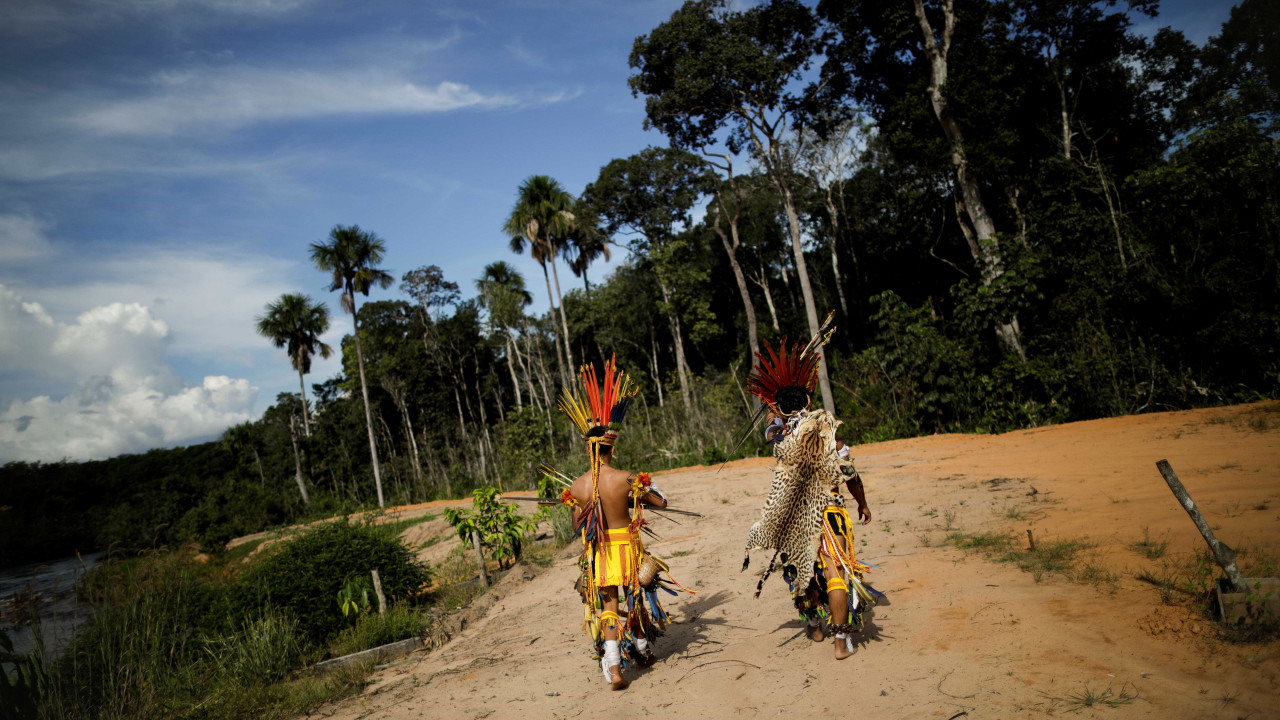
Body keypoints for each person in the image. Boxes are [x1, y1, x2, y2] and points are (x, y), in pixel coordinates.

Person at [550, 356, 693, 690]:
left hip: (598, 550)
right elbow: (660, 502)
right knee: (636, 600)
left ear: (589, 450)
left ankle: (615, 669)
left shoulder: (577, 486)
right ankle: (642, 652)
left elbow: (577, 527)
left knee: (609, 606)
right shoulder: (624, 478)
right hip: (625, 547)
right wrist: (641, 492)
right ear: (610, 449)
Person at [743, 328, 883, 660]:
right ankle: (839, 641)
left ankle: (815, 625)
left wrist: (777, 410)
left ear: (780, 408)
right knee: (834, 574)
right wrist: (862, 502)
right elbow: (851, 474)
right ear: (808, 401)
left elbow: (772, 429)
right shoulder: (830, 439)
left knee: (799, 571)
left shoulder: (781, 439)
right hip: (829, 513)